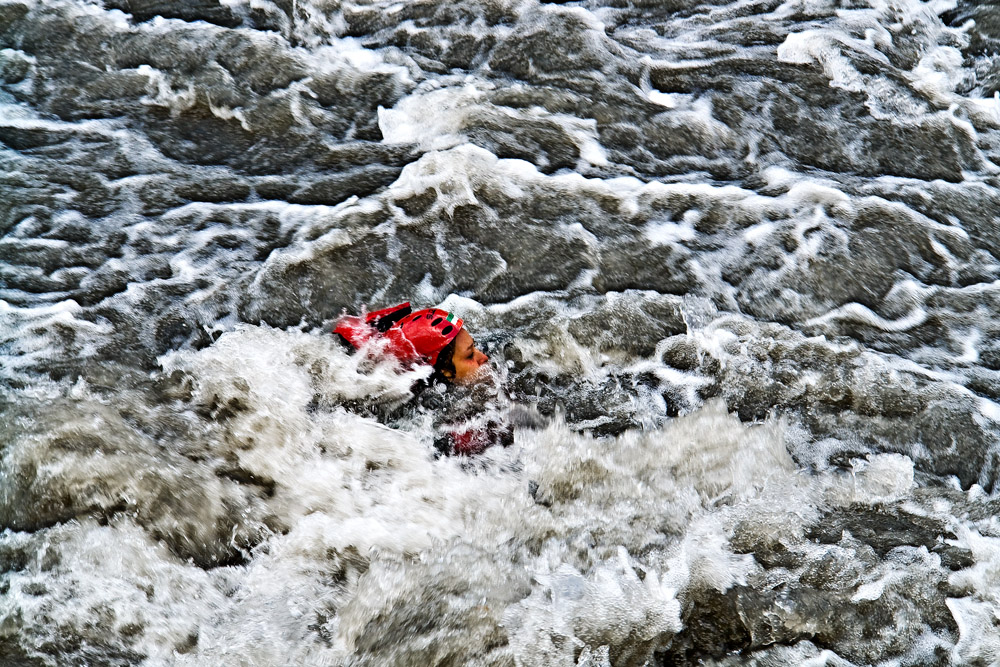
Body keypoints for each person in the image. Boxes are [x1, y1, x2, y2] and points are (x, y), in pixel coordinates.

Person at [333, 302, 509, 456]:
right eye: (470, 355)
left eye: (475, 347)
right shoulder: (436, 424)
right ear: (445, 372)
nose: (484, 357)